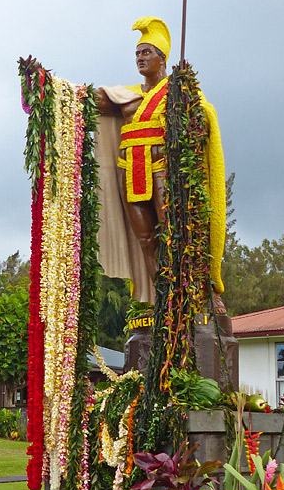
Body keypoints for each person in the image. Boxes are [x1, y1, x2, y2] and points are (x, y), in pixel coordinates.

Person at [95, 17, 226, 309]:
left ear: (162, 59)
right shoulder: (126, 96)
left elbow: (204, 116)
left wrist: (188, 105)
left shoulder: (178, 93)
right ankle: (165, 300)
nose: (140, 58)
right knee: (147, 242)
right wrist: (49, 87)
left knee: (177, 235)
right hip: (129, 172)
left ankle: (200, 293)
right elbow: (87, 98)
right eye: (137, 53)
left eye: (146, 52)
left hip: (163, 172)